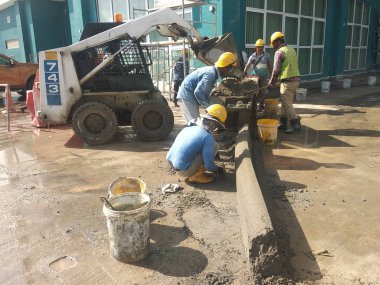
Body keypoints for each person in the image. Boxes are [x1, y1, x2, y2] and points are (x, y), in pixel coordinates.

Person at [166, 104, 227, 184]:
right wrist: (217, 169)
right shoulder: (207, 136)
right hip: (183, 171)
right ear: (215, 123)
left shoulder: (190, 126)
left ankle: (191, 170)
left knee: (200, 147)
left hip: (171, 164)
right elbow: (208, 165)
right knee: (214, 146)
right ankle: (196, 176)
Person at [177, 52, 237, 122]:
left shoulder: (213, 72)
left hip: (190, 93)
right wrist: (208, 107)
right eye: (230, 68)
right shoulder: (210, 74)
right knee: (194, 122)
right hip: (187, 95)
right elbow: (198, 92)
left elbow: (204, 92)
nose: (230, 71)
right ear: (224, 67)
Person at [267, 32, 301, 134]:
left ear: (277, 41)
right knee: (286, 104)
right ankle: (284, 124)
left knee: (287, 104)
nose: (273, 46)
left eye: (273, 43)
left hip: (287, 82)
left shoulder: (279, 52)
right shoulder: (291, 49)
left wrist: (272, 82)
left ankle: (296, 124)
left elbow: (276, 70)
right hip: (296, 81)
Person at [243, 39, 273, 111]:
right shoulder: (252, 56)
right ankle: (255, 106)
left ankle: (261, 105)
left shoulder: (267, 56)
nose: (259, 48)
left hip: (263, 78)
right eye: (258, 47)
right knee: (255, 92)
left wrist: (273, 76)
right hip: (255, 78)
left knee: (264, 92)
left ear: (263, 47)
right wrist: (243, 73)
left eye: (261, 46)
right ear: (256, 47)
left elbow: (270, 67)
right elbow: (247, 65)